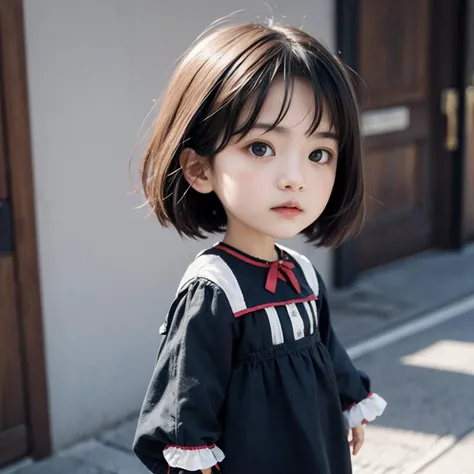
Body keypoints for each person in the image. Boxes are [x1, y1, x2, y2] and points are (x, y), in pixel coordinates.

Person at [132, 20, 387, 474]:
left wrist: (351, 398)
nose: (295, 177)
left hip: (316, 443)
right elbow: (187, 389)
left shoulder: (303, 273)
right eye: (261, 147)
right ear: (198, 168)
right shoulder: (215, 289)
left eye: (318, 154)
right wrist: (192, 455)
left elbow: (326, 349)